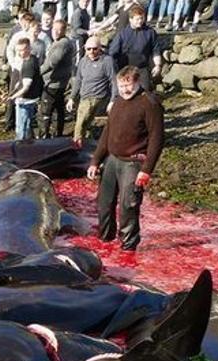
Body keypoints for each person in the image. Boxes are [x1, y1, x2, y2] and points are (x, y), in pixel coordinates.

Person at [87, 66, 163, 253]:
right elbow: (107, 133)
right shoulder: (118, 102)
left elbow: (157, 138)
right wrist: (95, 160)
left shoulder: (149, 103)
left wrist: (146, 169)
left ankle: (128, 247)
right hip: (112, 159)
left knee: (128, 206)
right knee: (104, 203)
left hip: (134, 162)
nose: (125, 90)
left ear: (137, 82)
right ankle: (105, 239)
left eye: (128, 86)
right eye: (121, 86)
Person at [69, 35, 116, 144]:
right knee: (83, 123)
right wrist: (72, 97)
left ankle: (77, 143)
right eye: (88, 49)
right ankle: (83, 142)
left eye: (95, 48)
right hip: (84, 96)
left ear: (100, 48)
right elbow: (78, 81)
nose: (92, 51)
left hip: (97, 97)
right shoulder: (83, 61)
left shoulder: (107, 61)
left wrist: (113, 100)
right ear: (85, 48)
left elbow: (114, 81)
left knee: (80, 123)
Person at [108, 4, 161, 90]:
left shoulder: (150, 32)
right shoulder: (122, 34)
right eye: (137, 19)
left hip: (142, 69)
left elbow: (156, 50)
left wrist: (157, 65)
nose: (140, 21)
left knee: (145, 92)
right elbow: (112, 53)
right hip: (125, 69)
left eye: (142, 18)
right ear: (130, 19)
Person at [38, 19, 74, 137]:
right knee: (58, 110)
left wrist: (37, 73)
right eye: (55, 29)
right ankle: (56, 135)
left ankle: (45, 137)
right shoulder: (59, 42)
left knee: (46, 112)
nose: (56, 32)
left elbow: (52, 63)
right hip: (58, 82)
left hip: (54, 84)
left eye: (60, 30)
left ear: (64, 30)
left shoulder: (62, 44)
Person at [8, 38, 44, 140]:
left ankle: (20, 148)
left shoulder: (29, 64)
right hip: (27, 99)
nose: (20, 53)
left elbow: (25, 87)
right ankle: (30, 145)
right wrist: (14, 89)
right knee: (27, 127)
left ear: (29, 48)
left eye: (23, 50)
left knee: (21, 129)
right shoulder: (31, 59)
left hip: (26, 100)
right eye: (18, 50)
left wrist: (12, 97)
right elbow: (21, 80)